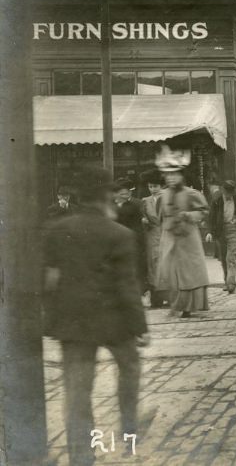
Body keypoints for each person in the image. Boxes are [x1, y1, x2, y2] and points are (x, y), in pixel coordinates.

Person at [44, 165, 150, 466]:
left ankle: (81, 454)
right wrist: (140, 327)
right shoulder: (120, 234)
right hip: (115, 322)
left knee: (77, 390)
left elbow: (50, 280)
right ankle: (129, 431)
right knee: (129, 369)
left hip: (74, 323)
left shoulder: (56, 230)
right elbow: (128, 286)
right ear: (106, 196)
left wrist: (53, 321)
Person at [155, 146, 209, 318]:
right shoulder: (163, 195)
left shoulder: (191, 193)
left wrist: (188, 215)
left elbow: (203, 211)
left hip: (188, 239)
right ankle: (176, 305)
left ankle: (189, 307)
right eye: (168, 175)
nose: (171, 178)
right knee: (171, 272)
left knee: (190, 273)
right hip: (170, 238)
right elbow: (160, 216)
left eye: (174, 174)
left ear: (181, 175)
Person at [206, 180, 236, 294]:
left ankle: (231, 284)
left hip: (234, 230)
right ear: (223, 191)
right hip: (221, 231)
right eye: (227, 193)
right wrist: (210, 232)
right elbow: (211, 217)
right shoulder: (217, 201)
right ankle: (227, 281)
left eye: (231, 192)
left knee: (230, 257)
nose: (229, 195)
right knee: (224, 258)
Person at [114, 177, 148, 296]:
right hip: (115, 242)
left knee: (135, 267)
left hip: (133, 240)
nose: (124, 194)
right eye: (121, 192)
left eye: (126, 192)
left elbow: (140, 224)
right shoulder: (111, 206)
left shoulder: (136, 205)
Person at [140, 170, 167, 309]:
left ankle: (170, 297)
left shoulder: (168, 199)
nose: (153, 189)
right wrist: (144, 220)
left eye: (155, 186)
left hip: (165, 233)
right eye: (150, 186)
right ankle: (156, 299)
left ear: (161, 186)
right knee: (153, 266)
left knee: (165, 265)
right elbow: (143, 217)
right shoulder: (145, 201)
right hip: (151, 235)